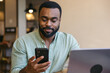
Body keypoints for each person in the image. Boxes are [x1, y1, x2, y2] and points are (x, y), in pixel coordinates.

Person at [11, 1, 80, 73]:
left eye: (53, 20)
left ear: (59, 21)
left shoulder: (69, 40)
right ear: (38, 19)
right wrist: (27, 71)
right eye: (44, 20)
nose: (48, 24)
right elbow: (14, 71)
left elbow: (79, 65)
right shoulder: (22, 42)